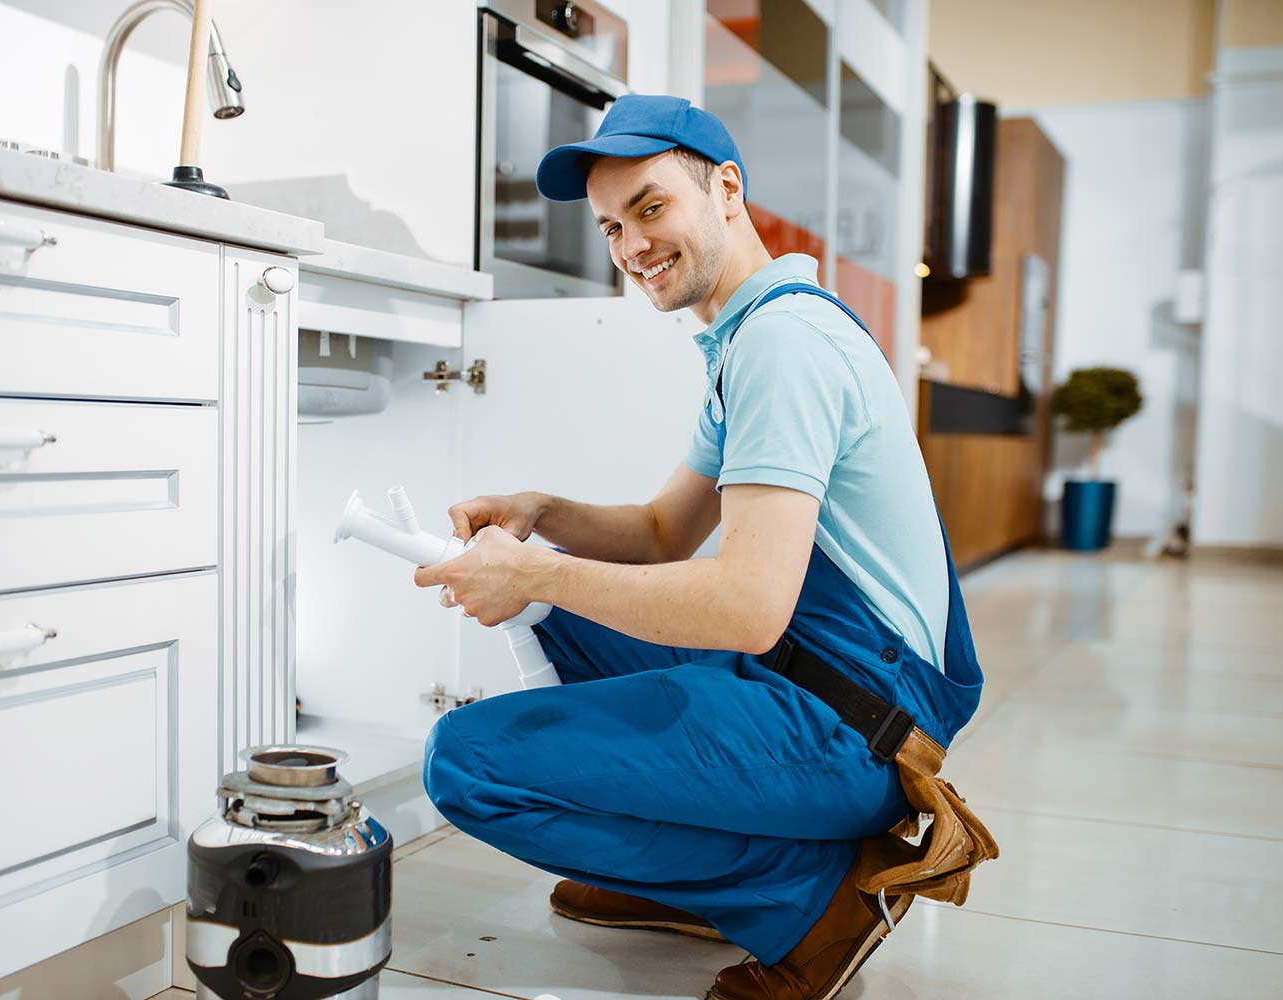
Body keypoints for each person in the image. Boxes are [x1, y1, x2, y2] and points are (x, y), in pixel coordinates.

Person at [413, 94, 987, 1000]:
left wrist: (536, 570)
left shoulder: (785, 348)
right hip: (826, 677)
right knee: (565, 615)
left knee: (468, 765)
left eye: (649, 207)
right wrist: (543, 513)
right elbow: (659, 534)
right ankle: (687, 870)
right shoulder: (750, 335)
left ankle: (809, 895)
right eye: (611, 227)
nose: (631, 246)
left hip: (858, 724)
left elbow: (750, 607)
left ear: (724, 189)